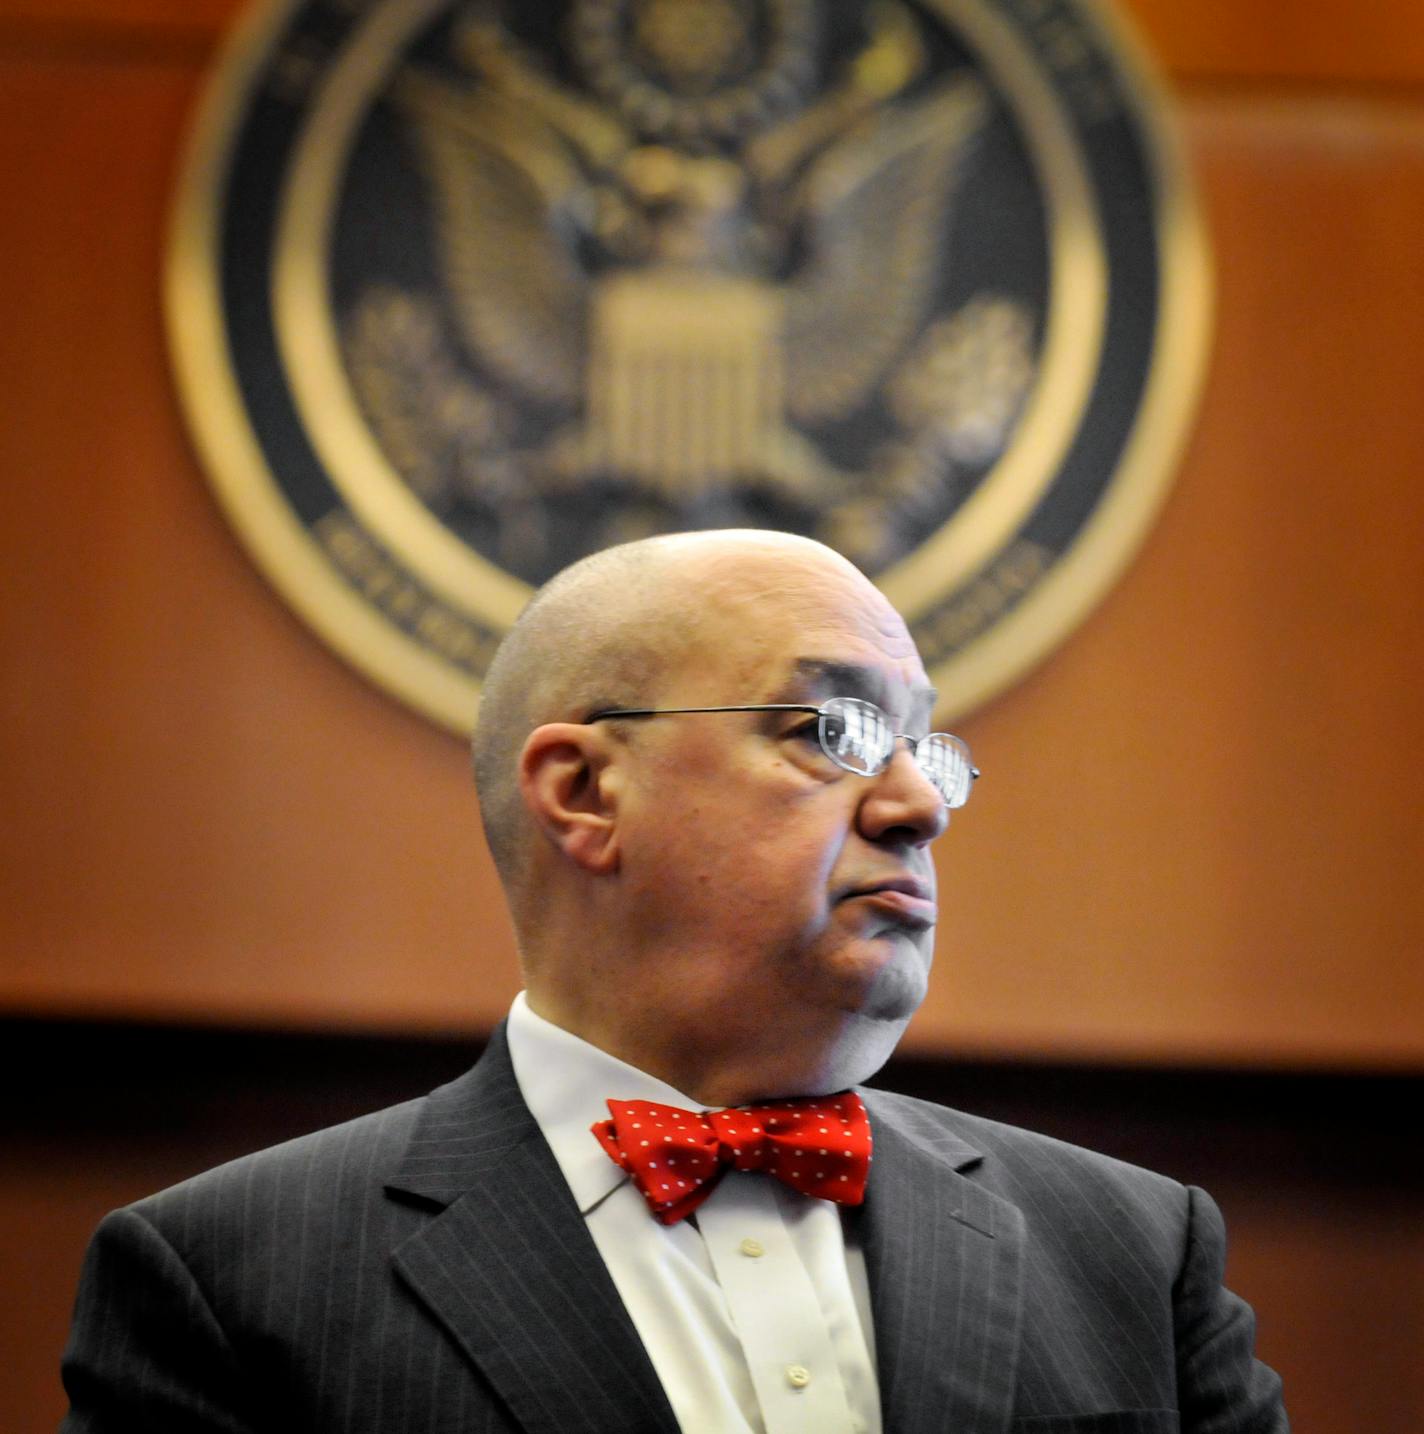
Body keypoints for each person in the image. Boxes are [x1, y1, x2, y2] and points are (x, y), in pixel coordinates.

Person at [61, 529, 1288, 1432]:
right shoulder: (230, 1285)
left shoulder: (1131, 1252)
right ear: (587, 793)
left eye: (921, 746)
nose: (917, 804)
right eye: (831, 732)